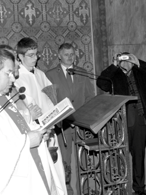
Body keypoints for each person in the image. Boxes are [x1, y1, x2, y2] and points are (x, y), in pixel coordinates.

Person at [0, 48, 52, 194]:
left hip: (31, 171)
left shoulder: (2, 96)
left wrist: (38, 133)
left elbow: (17, 127)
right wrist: (26, 141)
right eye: (8, 73)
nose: (13, 79)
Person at [96, 52, 146, 195]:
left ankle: (139, 189)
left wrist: (139, 62)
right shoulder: (114, 75)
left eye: (128, 59)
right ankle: (120, 188)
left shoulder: (139, 72)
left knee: (139, 156)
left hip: (140, 119)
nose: (126, 62)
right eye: (123, 60)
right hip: (121, 120)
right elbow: (101, 83)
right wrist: (113, 66)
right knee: (119, 156)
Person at [14, 37, 67, 194]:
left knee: (56, 172)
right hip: (35, 132)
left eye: (36, 54)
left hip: (49, 126)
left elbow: (51, 99)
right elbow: (26, 106)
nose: (35, 58)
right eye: (30, 55)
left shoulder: (40, 74)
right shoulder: (17, 78)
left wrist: (59, 112)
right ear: (20, 56)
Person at [46, 43, 95, 194]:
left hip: (81, 125)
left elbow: (89, 98)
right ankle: (68, 191)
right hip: (63, 126)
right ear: (59, 56)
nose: (70, 57)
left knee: (84, 159)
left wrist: (86, 119)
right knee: (65, 162)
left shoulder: (82, 72)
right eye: (66, 54)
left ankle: (86, 189)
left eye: (72, 54)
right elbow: (49, 101)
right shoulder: (50, 75)